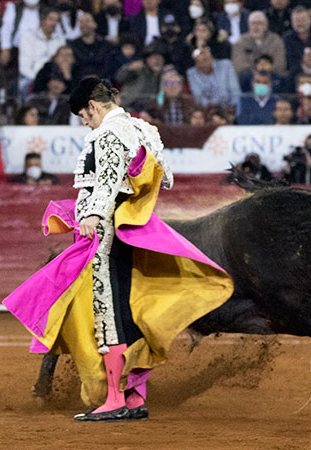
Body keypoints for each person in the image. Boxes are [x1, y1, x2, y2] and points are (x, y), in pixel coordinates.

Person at [59, 77, 231, 422]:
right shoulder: (144, 129)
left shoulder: (107, 133)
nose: (84, 122)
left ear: (93, 106)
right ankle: (136, 398)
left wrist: (92, 214)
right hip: (131, 228)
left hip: (105, 231)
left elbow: (106, 182)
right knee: (130, 308)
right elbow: (165, 176)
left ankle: (114, 399)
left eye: (83, 115)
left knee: (109, 312)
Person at [18, 7, 66, 96]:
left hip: (55, 80)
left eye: (56, 20)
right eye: (51, 19)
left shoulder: (61, 40)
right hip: (33, 79)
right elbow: (24, 68)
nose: (54, 23)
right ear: (42, 21)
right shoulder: (28, 38)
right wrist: (40, 81)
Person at [232, 11, 286, 76]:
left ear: (266, 26)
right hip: (249, 78)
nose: (256, 27)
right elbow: (239, 65)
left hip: (272, 77)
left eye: (259, 23)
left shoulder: (276, 40)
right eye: (253, 23)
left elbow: (279, 64)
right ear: (248, 26)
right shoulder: (241, 41)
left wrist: (264, 72)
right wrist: (257, 73)